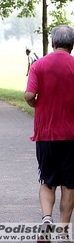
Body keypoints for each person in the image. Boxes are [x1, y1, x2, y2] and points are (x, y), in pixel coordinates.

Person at [24, 25, 74, 236]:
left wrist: (36, 103)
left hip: (45, 134)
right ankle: (63, 231)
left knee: (47, 180)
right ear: (72, 45)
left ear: (52, 43)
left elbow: (28, 95)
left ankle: (46, 218)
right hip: (71, 135)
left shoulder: (39, 65)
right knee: (70, 185)